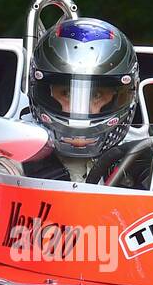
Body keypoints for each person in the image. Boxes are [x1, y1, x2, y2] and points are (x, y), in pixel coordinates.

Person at [18, 17, 142, 183]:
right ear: (42, 92)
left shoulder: (145, 163)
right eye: (67, 93)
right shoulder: (10, 169)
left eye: (97, 95)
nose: (82, 109)